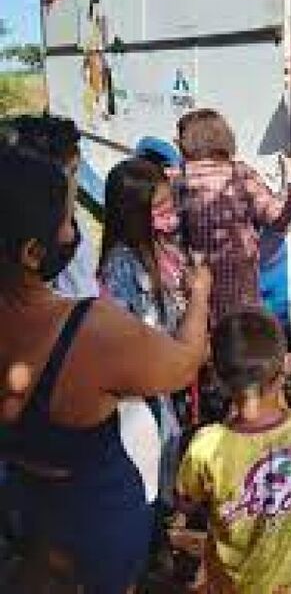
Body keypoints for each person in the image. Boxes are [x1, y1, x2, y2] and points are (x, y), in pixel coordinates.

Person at [0, 145, 210, 593]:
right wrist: (201, 297)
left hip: (28, 515)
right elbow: (184, 365)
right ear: (32, 253)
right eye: (66, 220)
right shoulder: (89, 332)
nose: (73, 233)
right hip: (97, 531)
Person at [177, 307, 291, 594]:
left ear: (217, 379)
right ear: (288, 365)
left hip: (235, 583)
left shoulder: (207, 446)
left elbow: (187, 502)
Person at [99, 158, 189, 507]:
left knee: (172, 442)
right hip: (149, 385)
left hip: (170, 374)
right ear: (133, 214)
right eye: (160, 207)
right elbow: (122, 334)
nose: (170, 213)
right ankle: (156, 526)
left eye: (170, 203)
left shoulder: (162, 246)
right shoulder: (121, 266)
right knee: (156, 454)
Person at [172, 109, 291, 329]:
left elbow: (172, 234)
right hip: (240, 288)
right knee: (238, 343)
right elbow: (277, 218)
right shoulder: (241, 174)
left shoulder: (180, 179)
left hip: (197, 283)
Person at [8, 114, 99, 299]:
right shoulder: (44, 241)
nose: (75, 184)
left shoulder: (72, 226)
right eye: (69, 174)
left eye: (75, 172)